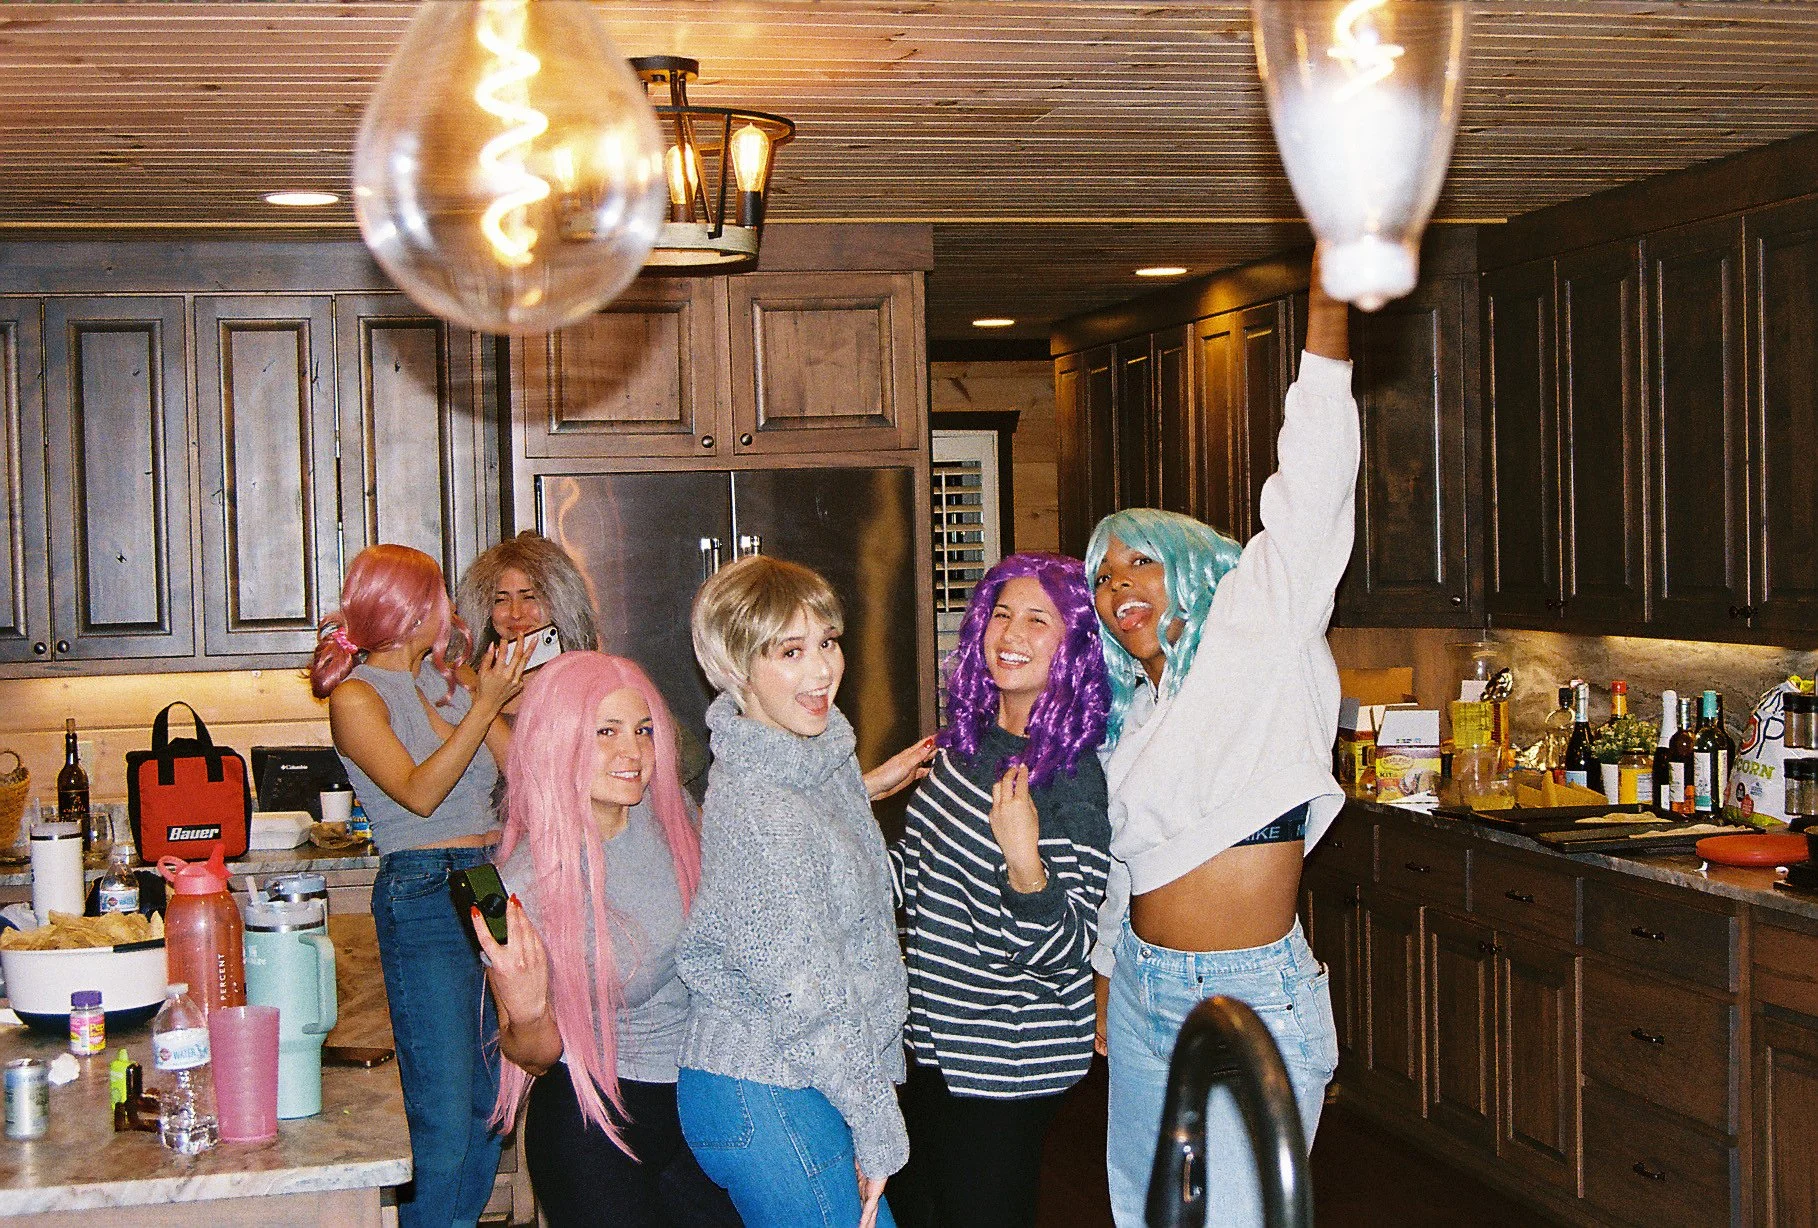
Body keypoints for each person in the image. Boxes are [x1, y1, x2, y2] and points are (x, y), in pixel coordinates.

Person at [1089, 258, 1353, 1227]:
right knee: (1142, 1214)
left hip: (1252, 991)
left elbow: (1314, 478)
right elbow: (1127, 857)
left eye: (1141, 561)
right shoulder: (1138, 712)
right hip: (1145, 989)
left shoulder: (1261, 624)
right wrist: (1107, 972)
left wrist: (1330, 313)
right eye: (1104, 578)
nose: (1121, 589)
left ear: (1193, 565)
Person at [671, 555, 913, 1228]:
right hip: (766, 1084)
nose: (821, 671)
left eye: (827, 643)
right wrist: (876, 1124)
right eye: (790, 651)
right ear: (736, 669)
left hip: (796, 1076)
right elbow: (806, 991)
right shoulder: (762, 806)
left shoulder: (812, 765)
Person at [470, 652, 742, 1228]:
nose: (633, 754)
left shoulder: (673, 820)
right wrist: (525, 1008)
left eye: (644, 731)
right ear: (557, 741)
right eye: (606, 732)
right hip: (594, 1124)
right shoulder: (522, 886)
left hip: (700, 1103)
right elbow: (536, 1055)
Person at [887, 553, 1111, 1228]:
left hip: (1003, 1058)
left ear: (1073, 646)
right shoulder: (965, 746)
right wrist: (838, 803)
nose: (1011, 633)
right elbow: (910, 879)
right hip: (928, 1042)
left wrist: (1025, 866)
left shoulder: (1070, 779)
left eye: (1038, 620)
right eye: (1001, 615)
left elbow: (1067, 948)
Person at [312, 543, 524, 1228]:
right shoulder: (356, 696)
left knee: (493, 1102)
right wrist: (483, 704)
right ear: (410, 609)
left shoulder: (451, 681)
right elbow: (418, 793)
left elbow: (520, 770)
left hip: (488, 880)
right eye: (440, 600)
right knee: (441, 1106)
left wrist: (501, 698)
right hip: (423, 889)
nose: (453, 614)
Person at [458, 530, 711, 793]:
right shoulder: (465, 681)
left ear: (560, 601)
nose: (515, 613)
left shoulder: (591, 677)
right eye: (500, 600)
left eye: (529, 597)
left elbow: (687, 759)